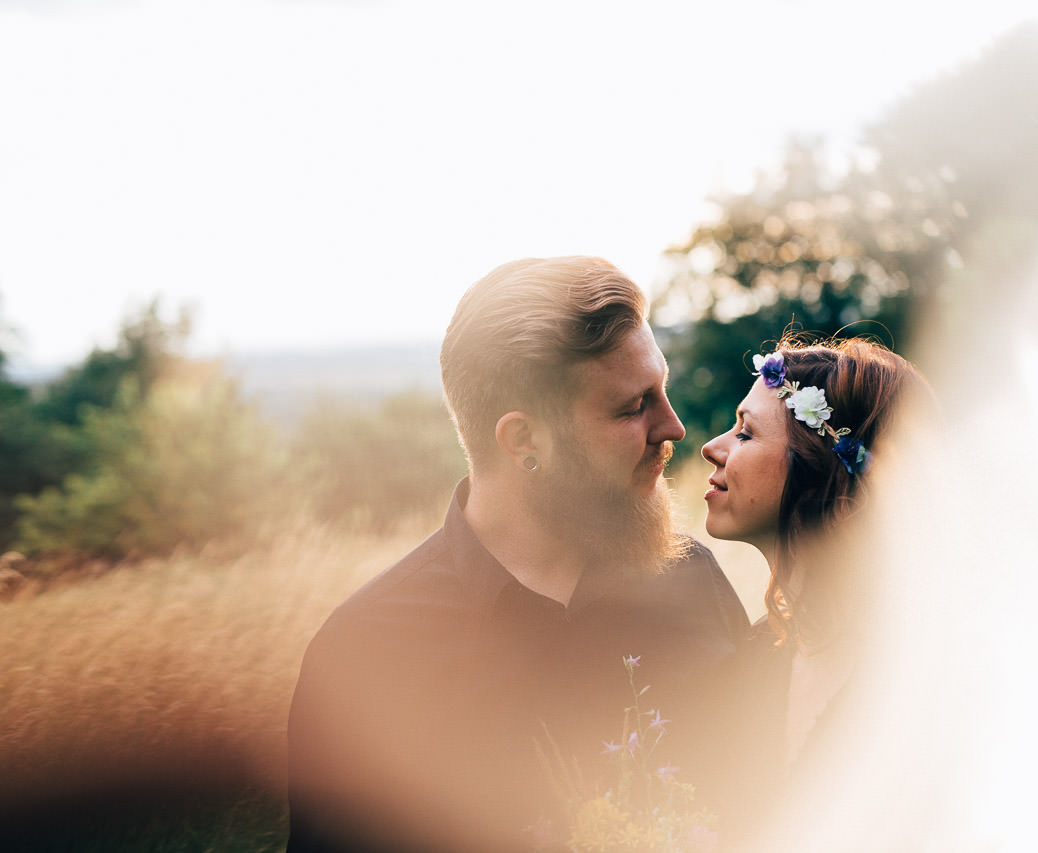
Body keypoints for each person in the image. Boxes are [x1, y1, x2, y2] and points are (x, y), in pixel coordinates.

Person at [286, 257, 749, 852]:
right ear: (524, 441)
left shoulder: (689, 579)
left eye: (661, 390)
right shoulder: (364, 655)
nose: (675, 427)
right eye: (631, 407)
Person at [698, 335, 932, 832]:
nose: (710, 448)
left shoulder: (924, 678)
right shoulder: (755, 657)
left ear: (828, 473)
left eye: (745, 433)